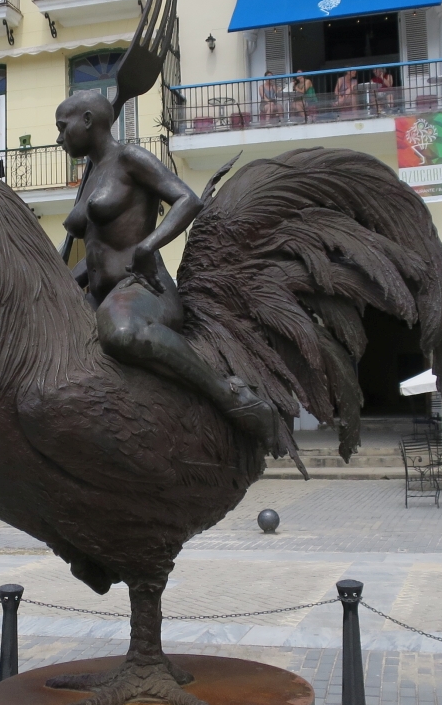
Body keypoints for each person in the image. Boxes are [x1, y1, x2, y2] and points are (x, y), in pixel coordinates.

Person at [56, 89, 278, 444]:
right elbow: (96, 252)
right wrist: (59, 284)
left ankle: (232, 396)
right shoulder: (92, 175)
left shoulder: (129, 158)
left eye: (62, 127)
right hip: (100, 296)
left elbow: (187, 200)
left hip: (143, 287)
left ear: (87, 121)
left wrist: (147, 245)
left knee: (122, 333)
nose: (58, 138)